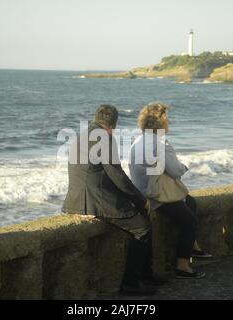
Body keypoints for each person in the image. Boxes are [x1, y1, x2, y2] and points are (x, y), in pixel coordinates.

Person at [62, 105, 167, 296]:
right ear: (114, 124)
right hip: (95, 199)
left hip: (79, 198)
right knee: (142, 228)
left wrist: (134, 199)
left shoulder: (85, 134)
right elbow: (117, 175)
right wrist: (140, 198)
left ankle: (146, 274)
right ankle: (131, 284)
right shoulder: (104, 138)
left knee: (141, 214)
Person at [129, 102, 209, 279]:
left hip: (140, 192)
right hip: (156, 196)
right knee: (189, 221)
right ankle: (182, 265)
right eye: (168, 120)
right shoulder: (160, 144)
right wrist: (187, 165)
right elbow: (176, 171)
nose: (169, 123)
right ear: (162, 123)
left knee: (190, 201)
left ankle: (192, 246)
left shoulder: (137, 140)